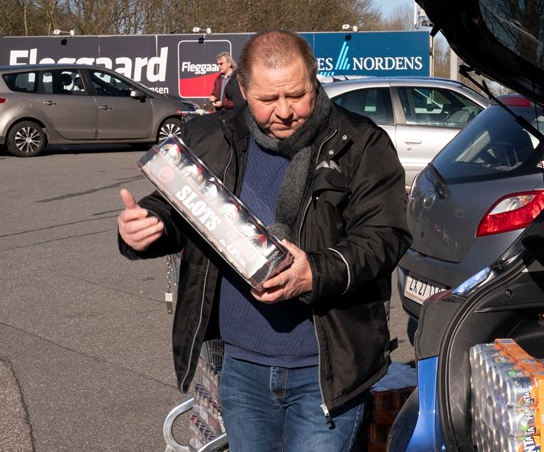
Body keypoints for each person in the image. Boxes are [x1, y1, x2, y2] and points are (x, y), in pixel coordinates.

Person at [117, 29, 410, 451]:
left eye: (297, 95)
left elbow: (386, 237)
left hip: (327, 373)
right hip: (242, 370)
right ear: (243, 88)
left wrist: (315, 273)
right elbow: (176, 206)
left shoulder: (360, 142)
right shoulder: (212, 135)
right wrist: (147, 227)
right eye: (268, 100)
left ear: (314, 79)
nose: (285, 112)